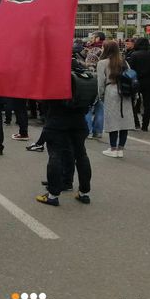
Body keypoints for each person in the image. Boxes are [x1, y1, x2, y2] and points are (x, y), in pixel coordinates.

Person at [36, 57, 93, 207]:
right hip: (79, 122)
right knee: (81, 155)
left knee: (56, 155)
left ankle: (53, 194)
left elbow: (43, 100)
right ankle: (84, 192)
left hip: (57, 121)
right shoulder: (80, 72)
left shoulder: (56, 75)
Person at [97, 41, 135, 158]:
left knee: (112, 119)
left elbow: (100, 82)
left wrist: (100, 95)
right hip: (125, 91)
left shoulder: (102, 63)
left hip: (110, 90)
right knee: (124, 120)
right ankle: (120, 149)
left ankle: (113, 148)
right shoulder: (124, 61)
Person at [128, 37, 150, 132]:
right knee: (147, 103)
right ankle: (145, 125)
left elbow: (131, 69)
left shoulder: (134, 55)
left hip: (136, 81)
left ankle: (135, 122)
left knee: (133, 102)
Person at [84, 31, 106, 139]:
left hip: (94, 81)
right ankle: (98, 131)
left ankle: (88, 131)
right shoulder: (107, 49)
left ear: (97, 38)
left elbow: (90, 67)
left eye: (93, 37)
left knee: (88, 107)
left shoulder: (94, 51)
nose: (91, 39)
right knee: (100, 107)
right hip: (105, 81)